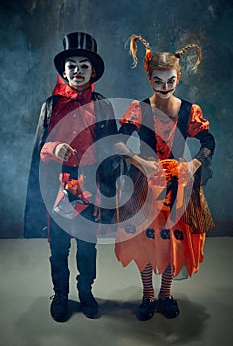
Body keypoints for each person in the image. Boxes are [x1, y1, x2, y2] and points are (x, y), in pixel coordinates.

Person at [114, 34, 215, 321]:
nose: (165, 87)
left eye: (170, 81)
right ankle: (147, 295)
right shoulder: (139, 109)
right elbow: (118, 142)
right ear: (149, 78)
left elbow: (208, 141)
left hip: (179, 186)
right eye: (158, 81)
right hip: (144, 186)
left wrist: (194, 164)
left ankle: (166, 294)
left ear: (178, 77)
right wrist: (139, 163)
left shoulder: (188, 111)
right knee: (144, 242)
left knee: (174, 242)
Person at [24, 32, 118, 321]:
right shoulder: (51, 105)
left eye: (84, 66)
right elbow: (40, 149)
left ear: (93, 72)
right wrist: (55, 147)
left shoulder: (102, 105)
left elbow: (112, 147)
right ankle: (61, 294)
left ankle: (86, 292)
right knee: (60, 247)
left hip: (91, 188)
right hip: (57, 189)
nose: (77, 71)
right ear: (64, 71)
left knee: (88, 247)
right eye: (72, 66)